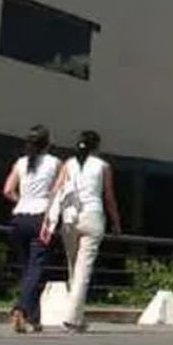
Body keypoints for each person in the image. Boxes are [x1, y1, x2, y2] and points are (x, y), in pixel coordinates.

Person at [43, 130, 121, 333]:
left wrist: (48, 218)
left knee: (73, 267)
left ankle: (76, 315)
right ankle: (73, 317)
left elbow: (56, 191)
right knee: (83, 271)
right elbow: (108, 196)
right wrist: (116, 222)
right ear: (97, 147)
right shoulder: (103, 166)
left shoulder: (68, 164)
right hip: (93, 216)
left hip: (70, 217)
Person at [1, 125, 60, 333]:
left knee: (28, 269)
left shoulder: (21, 163)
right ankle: (20, 309)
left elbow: (8, 190)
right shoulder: (54, 163)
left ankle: (35, 318)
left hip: (19, 217)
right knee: (37, 268)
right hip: (41, 218)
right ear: (48, 144)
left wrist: (22, 200)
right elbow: (57, 192)